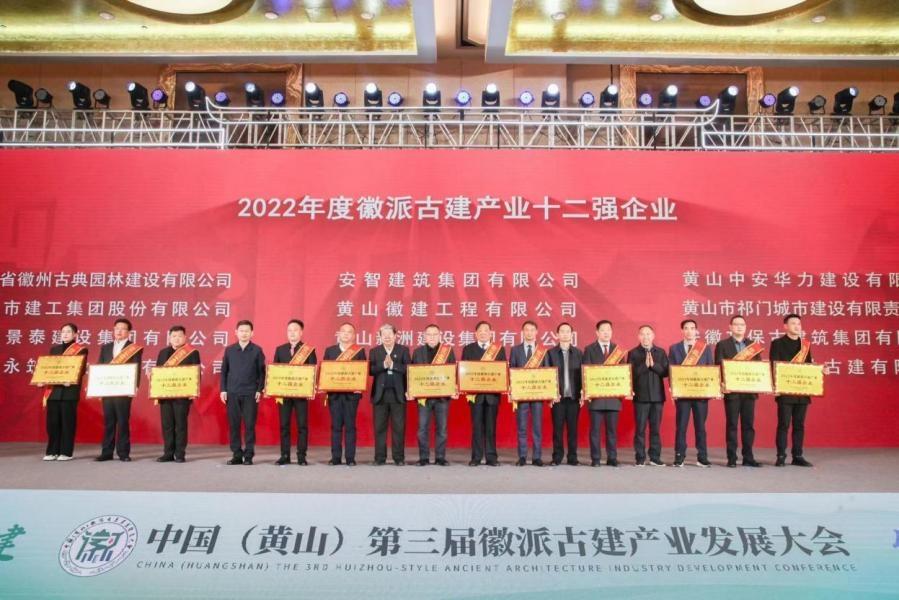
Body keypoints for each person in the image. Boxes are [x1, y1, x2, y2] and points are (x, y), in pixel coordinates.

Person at [714, 315, 764, 468]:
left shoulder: (753, 346)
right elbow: (719, 365)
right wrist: (722, 383)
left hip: (749, 391)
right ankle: (732, 458)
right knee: (732, 425)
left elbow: (759, 367)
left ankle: (748, 457)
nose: (739, 327)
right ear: (730, 327)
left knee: (748, 425)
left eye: (742, 324)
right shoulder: (722, 344)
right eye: (736, 324)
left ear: (746, 327)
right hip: (732, 391)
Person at [770, 313, 814, 467]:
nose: (797, 326)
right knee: (784, 424)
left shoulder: (805, 345)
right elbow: (774, 365)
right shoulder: (777, 343)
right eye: (793, 323)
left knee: (799, 425)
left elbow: (809, 366)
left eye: (798, 324)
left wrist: (820, 371)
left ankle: (797, 455)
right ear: (785, 326)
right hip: (785, 391)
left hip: (802, 391)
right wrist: (775, 386)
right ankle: (781, 455)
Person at [96, 318, 143, 463]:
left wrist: (134, 387)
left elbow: (137, 368)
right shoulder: (106, 347)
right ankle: (106, 452)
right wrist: (97, 387)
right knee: (109, 421)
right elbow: (100, 366)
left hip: (124, 389)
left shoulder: (133, 348)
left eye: (123, 329)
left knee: (122, 421)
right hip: (107, 389)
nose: (119, 331)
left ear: (129, 332)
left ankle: (123, 452)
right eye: (117, 328)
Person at [667, 319, 713, 468]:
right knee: (681, 426)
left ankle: (702, 457)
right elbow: (671, 370)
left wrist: (711, 389)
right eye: (686, 328)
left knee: (701, 427)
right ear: (682, 331)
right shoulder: (674, 348)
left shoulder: (705, 348)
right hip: (682, 394)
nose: (689, 331)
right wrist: (672, 390)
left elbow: (710, 369)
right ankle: (679, 456)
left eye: (692, 328)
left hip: (701, 394)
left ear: (696, 331)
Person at [220, 320, 265, 465]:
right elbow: (224, 371)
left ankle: (249, 455)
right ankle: (237, 454)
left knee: (249, 425)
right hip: (232, 392)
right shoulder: (230, 350)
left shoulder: (257, 350)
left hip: (250, 393)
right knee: (234, 425)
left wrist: (259, 389)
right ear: (236, 332)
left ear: (252, 333)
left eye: (247, 331)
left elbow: (262, 373)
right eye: (241, 330)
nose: (244, 333)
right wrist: (223, 389)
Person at [461, 321, 506, 466]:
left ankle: (491, 457)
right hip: (475, 396)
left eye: (486, 330)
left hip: (492, 396)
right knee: (477, 427)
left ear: (491, 333)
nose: (483, 333)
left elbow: (503, 372)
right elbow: (464, 372)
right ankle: (476, 457)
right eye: (480, 330)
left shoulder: (499, 350)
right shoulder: (468, 349)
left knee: (491, 427)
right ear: (476, 333)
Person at [410, 324, 456, 466]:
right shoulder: (417, 352)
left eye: (435, 334)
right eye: (429, 334)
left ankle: (440, 457)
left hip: (442, 397)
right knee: (422, 429)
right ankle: (423, 457)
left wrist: (454, 388)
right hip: (423, 397)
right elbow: (412, 374)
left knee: (442, 429)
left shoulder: (448, 351)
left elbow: (453, 373)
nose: (432, 337)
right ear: (424, 336)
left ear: (440, 336)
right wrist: (411, 390)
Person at [581, 320, 625, 467]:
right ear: (597, 332)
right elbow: (585, 372)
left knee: (612, 431)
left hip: (613, 398)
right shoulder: (589, 349)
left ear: (611, 332)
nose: (606, 333)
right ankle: (595, 458)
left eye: (608, 330)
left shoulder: (617, 351)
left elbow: (623, 374)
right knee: (595, 431)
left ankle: (612, 457)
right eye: (603, 330)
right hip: (596, 398)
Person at [273, 319, 317, 466]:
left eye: (295, 330)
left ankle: (301, 456)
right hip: (284, 394)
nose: (292, 333)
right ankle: (284, 455)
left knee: (302, 426)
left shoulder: (308, 350)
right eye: (289, 330)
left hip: (301, 394)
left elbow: (313, 372)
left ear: (301, 332)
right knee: (284, 425)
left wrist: (311, 388)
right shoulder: (280, 350)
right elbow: (275, 372)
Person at [42, 322, 87, 462]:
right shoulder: (54, 349)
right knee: (52, 423)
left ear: (75, 334)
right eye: (63, 332)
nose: (65, 334)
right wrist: (42, 379)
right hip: (54, 391)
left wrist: (72, 380)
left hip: (69, 391)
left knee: (67, 423)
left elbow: (81, 369)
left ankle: (66, 452)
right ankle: (52, 451)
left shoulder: (81, 350)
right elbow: (48, 369)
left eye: (68, 331)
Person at [154, 325, 200, 463]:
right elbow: (158, 372)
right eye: (174, 336)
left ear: (185, 337)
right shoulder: (163, 352)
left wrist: (194, 391)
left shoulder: (192, 352)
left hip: (182, 395)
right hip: (165, 395)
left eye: (179, 336)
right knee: (167, 425)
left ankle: (180, 454)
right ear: (169, 338)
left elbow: (196, 372)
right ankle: (168, 453)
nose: (176, 338)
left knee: (180, 425)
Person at [323, 322, 366, 466]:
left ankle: (350, 458)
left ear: (354, 336)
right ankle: (335, 457)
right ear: (339, 334)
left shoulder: (359, 351)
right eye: (343, 331)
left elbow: (362, 372)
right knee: (335, 426)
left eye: (349, 332)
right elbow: (325, 371)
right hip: (334, 395)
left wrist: (359, 386)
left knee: (350, 426)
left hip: (351, 396)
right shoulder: (330, 351)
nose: (346, 334)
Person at [369, 323, 411, 466]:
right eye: (384, 335)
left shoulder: (403, 350)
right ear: (380, 337)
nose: (387, 337)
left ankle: (398, 458)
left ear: (395, 335)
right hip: (380, 395)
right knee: (379, 428)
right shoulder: (375, 351)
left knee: (399, 428)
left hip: (398, 394)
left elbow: (409, 369)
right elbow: (370, 370)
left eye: (390, 334)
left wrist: (393, 365)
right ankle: (379, 458)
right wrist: (383, 366)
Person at [509, 320, 549, 467]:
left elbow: (547, 373)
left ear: (536, 332)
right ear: (522, 332)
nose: (529, 332)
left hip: (538, 395)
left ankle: (537, 457)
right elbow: (512, 371)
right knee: (522, 427)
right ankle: (522, 456)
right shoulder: (515, 350)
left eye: (532, 330)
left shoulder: (542, 352)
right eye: (527, 330)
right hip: (521, 395)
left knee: (537, 427)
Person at [628, 325, 669, 467]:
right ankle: (640, 458)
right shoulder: (633, 353)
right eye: (642, 334)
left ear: (653, 336)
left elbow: (666, 372)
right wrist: (644, 366)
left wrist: (654, 365)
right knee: (640, 429)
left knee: (655, 429)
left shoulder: (661, 352)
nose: (645, 337)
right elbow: (630, 374)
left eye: (648, 334)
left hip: (657, 397)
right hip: (641, 397)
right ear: (638, 336)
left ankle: (655, 457)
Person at [547, 322, 583, 466]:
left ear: (572, 334)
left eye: (568, 331)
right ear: (557, 334)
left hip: (574, 398)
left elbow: (583, 376)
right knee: (557, 429)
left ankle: (572, 457)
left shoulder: (579, 353)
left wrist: (583, 394)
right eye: (562, 331)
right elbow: (548, 375)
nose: (565, 334)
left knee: (573, 430)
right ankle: (557, 457)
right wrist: (551, 395)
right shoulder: (550, 353)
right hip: (558, 399)